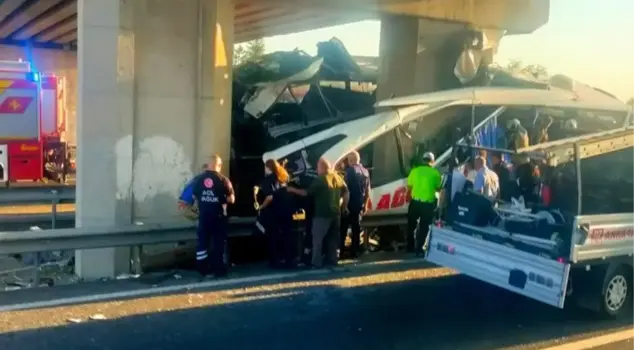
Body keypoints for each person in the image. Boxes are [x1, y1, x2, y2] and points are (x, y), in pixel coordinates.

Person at [288, 158, 349, 268]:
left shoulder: (321, 179)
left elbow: (305, 193)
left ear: (322, 167)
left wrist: (292, 190)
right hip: (336, 214)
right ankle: (333, 260)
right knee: (333, 239)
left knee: (317, 239)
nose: (316, 170)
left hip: (322, 214)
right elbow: (346, 192)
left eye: (317, 167)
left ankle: (316, 263)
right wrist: (344, 206)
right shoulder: (337, 177)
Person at [191, 155, 235, 278]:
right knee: (218, 243)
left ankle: (202, 269)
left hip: (204, 216)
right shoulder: (224, 180)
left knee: (202, 242)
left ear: (208, 164)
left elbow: (194, 196)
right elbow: (232, 199)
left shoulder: (198, 179)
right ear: (219, 165)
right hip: (218, 217)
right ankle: (219, 269)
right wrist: (220, 199)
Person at [258, 159, 297, 269]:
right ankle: (290, 260)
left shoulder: (267, 180)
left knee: (273, 237)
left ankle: (275, 261)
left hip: (274, 212)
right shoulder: (283, 177)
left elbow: (270, 197)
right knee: (287, 235)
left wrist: (261, 207)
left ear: (268, 168)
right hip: (287, 210)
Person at [406, 152, 442, 254]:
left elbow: (409, 187)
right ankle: (419, 249)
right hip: (428, 204)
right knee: (424, 227)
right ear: (432, 161)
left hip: (415, 202)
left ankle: (409, 247)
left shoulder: (414, 171)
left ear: (423, 160)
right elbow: (438, 188)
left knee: (411, 226)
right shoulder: (435, 173)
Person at [339, 151, 371, 258]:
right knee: (356, 229)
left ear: (350, 160)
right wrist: (365, 204)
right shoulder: (366, 172)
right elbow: (368, 191)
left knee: (343, 229)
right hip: (360, 204)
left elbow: (345, 190)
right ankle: (354, 252)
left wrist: (344, 206)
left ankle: (341, 251)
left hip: (349, 204)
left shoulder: (349, 171)